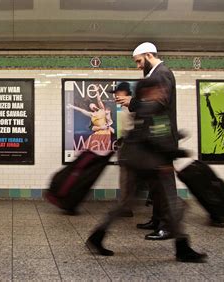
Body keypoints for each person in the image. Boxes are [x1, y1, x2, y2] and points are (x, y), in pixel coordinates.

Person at [86, 77, 208, 263]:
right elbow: (153, 137)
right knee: (174, 205)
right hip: (148, 164)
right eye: (158, 88)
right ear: (149, 91)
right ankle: (182, 248)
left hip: (140, 162)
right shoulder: (151, 108)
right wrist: (176, 151)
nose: (163, 91)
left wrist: (175, 142)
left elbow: (153, 135)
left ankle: (97, 237)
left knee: (133, 204)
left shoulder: (147, 107)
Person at [116, 42, 177, 240]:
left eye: (139, 61)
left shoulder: (163, 73)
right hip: (153, 143)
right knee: (155, 186)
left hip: (162, 142)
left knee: (165, 186)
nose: (138, 66)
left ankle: (168, 226)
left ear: (149, 55)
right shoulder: (154, 75)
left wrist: (132, 102)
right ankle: (158, 220)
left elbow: (159, 104)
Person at [110, 82, 135, 217]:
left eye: (117, 93)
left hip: (131, 147)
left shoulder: (133, 108)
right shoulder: (122, 108)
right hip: (125, 145)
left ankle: (125, 206)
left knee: (126, 177)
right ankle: (125, 205)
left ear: (125, 93)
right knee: (126, 177)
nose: (115, 96)